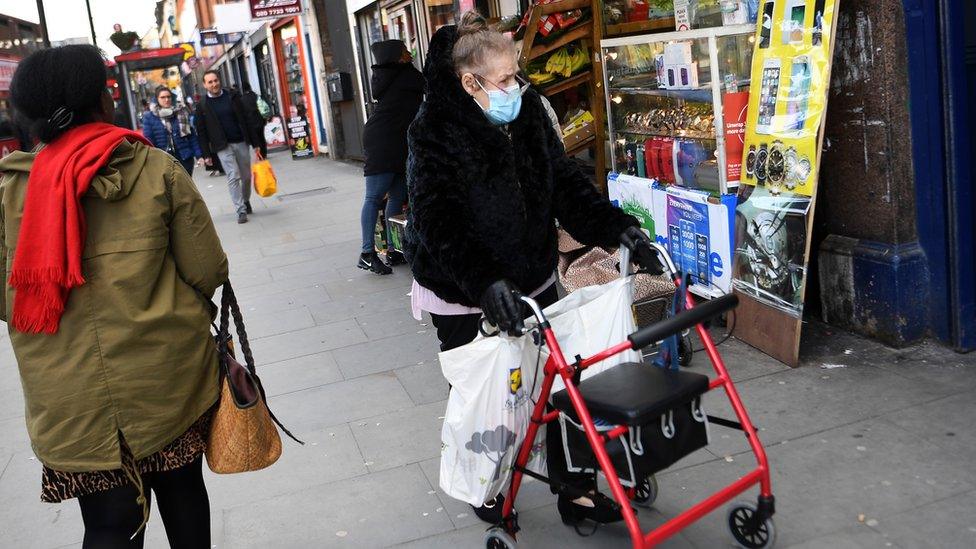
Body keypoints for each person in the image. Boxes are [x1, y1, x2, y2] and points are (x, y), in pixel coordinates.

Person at [404, 12, 656, 529]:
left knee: (562, 382)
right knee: (491, 395)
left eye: (516, 74)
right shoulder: (432, 129)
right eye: (503, 80)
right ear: (468, 82)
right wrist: (486, 280)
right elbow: (437, 218)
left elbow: (562, 182)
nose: (515, 87)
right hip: (466, 292)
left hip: (536, 275)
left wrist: (616, 228)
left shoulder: (527, 113)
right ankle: (488, 483)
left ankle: (576, 489)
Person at [0, 45, 227, 548]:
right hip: (166, 382)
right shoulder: (155, 169)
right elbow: (207, 271)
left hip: (68, 395)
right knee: (184, 496)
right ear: (99, 103)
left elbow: (5, 299)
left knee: (105, 524)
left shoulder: (9, 192)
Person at [359, 39, 424, 275]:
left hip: (394, 139)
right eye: (405, 51)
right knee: (374, 197)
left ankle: (395, 250)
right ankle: (367, 254)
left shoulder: (390, 74)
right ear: (397, 57)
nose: (409, 53)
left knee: (397, 195)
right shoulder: (407, 76)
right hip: (384, 142)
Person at [194, 70, 263, 224]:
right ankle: (240, 210)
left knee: (246, 177)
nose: (214, 84)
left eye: (216, 80)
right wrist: (206, 154)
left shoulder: (233, 97)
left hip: (241, 141)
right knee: (233, 176)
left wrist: (256, 143)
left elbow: (246, 120)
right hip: (222, 146)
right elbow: (201, 131)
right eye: (210, 82)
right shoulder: (202, 105)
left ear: (220, 81)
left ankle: (245, 200)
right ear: (205, 85)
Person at [141, 86, 202, 176]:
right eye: (163, 97)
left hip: (185, 157)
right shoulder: (149, 117)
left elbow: (191, 135)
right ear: (157, 99)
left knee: (186, 188)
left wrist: (199, 155)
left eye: (168, 97)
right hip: (164, 159)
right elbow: (149, 140)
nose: (166, 100)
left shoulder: (180, 112)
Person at [240, 83, 269, 158]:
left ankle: (259, 155)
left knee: (255, 138)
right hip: (260, 119)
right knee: (261, 136)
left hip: (251, 122)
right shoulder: (256, 96)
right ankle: (264, 153)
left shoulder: (242, 99)